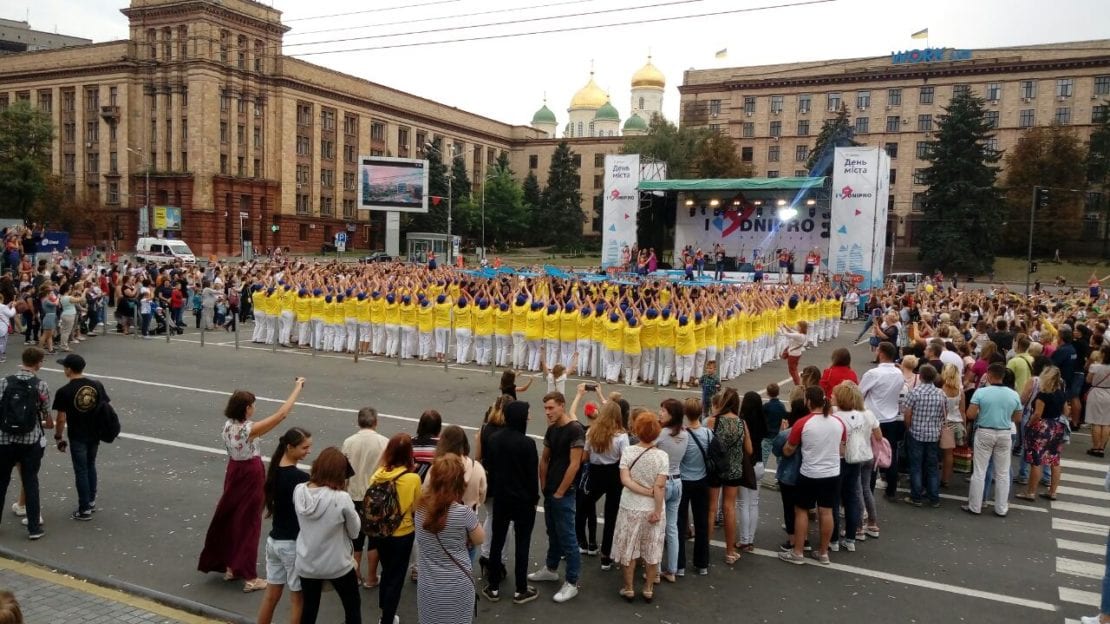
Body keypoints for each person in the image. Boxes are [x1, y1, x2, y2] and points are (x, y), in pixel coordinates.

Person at [198, 378, 305, 592]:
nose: (254, 408)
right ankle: (249, 576)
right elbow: (281, 414)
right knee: (249, 522)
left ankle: (231, 565)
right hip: (249, 472)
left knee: (231, 517)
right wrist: (297, 388)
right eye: (253, 405)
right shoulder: (248, 429)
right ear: (247, 408)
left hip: (234, 471)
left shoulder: (228, 425)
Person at [527, 391, 585, 604]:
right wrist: (544, 484)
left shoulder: (575, 430)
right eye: (545, 408)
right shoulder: (552, 430)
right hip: (551, 490)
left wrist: (561, 491)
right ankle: (551, 568)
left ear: (562, 405)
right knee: (553, 532)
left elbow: (575, 464)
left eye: (551, 408)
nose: (547, 412)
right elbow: (544, 459)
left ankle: (571, 582)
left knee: (568, 538)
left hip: (564, 493)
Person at [293, 447, 362, 624]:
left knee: (309, 609)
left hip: (307, 563)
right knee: (352, 606)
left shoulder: (299, 491)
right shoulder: (341, 498)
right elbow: (355, 532)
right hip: (337, 564)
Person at [482, 400, 540, 605]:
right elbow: (532, 477)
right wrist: (535, 498)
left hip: (502, 498)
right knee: (522, 543)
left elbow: (490, 466)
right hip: (523, 500)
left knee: (497, 541)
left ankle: (494, 586)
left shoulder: (495, 439)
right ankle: (521, 589)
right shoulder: (528, 443)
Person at [415, 454, 485, 624]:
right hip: (457, 585)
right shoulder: (463, 513)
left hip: (428, 585)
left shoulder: (419, 509)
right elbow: (480, 539)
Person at [779, 386, 845, 566]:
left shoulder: (803, 423)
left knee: (801, 510)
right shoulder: (838, 422)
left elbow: (789, 448)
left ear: (808, 401)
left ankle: (798, 552)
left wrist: (784, 450)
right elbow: (842, 448)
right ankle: (823, 552)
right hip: (831, 472)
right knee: (827, 511)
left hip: (809, 471)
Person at [610, 412, 668, 603]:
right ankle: (648, 588)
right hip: (653, 508)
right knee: (652, 549)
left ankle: (628, 588)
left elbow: (625, 480)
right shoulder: (662, 456)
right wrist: (657, 508)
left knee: (629, 547)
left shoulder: (629, 452)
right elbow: (660, 486)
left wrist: (643, 491)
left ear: (637, 429)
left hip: (630, 505)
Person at [257, 427, 311, 624]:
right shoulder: (300, 479)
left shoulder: (274, 471)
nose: (308, 451)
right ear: (290, 447)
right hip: (292, 544)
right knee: (298, 599)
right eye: (305, 447)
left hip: (274, 541)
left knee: (271, 596)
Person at [369, 433, 422, 624]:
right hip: (403, 532)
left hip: (381, 531)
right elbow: (416, 507)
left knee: (387, 571)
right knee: (396, 577)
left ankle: (384, 609)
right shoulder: (412, 479)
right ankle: (388, 617)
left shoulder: (378, 475)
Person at [51, 353, 110, 521]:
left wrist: (58, 437)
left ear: (69, 369)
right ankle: (91, 500)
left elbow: (61, 418)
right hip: (95, 432)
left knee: (81, 470)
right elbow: (107, 406)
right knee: (91, 465)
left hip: (78, 434)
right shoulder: (96, 385)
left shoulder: (64, 391)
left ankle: (84, 508)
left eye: (64, 367)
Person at [0, 347, 50, 540]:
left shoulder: (5, 382)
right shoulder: (40, 385)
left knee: (1, 482)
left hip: (5, 439)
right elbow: (45, 411)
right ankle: (34, 528)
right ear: (38, 363)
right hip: (30, 440)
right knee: (30, 481)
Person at [963, 363, 1023, 517]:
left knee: (979, 471)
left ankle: (975, 505)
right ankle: (1001, 508)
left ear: (989, 375)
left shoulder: (981, 393)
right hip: (1004, 433)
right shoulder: (1014, 394)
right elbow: (1017, 418)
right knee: (1003, 472)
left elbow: (970, 414)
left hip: (984, 431)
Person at [576, 396, 627, 569]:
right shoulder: (621, 436)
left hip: (595, 472)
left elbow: (585, 457)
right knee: (611, 516)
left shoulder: (592, 432)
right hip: (614, 474)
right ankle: (606, 556)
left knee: (584, 505)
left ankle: (582, 541)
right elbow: (624, 459)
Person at [341, 407, 389, 588]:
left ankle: (354, 574)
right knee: (374, 540)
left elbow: (344, 472)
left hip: (354, 495)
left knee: (356, 538)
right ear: (376, 422)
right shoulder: (384, 442)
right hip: (376, 496)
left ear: (358, 422)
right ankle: (371, 577)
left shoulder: (348, 442)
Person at [706, 388, 750, 565]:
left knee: (711, 508)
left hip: (716, 467)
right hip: (734, 469)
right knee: (729, 508)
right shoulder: (741, 423)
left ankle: (705, 549)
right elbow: (750, 449)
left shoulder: (713, 421)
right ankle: (730, 551)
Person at [859, 342, 905, 500]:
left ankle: (868, 493)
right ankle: (891, 490)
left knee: (871, 458)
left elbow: (860, 393)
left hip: (874, 419)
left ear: (882, 353)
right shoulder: (899, 374)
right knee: (889, 454)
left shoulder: (873, 373)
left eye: (877, 350)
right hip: (891, 418)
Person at [1017, 365, 1069, 502]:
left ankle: (1031, 492)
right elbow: (1066, 412)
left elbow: (1037, 414)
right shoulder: (1061, 393)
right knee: (1054, 460)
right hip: (1057, 426)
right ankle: (1052, 492)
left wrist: (1029, 424)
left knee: (1036, 460)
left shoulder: (1043, 394)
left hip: (1042, 426)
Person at [902, 364, 945, 508]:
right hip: (934, 434)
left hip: (916, 432)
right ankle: (934, 497)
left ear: (920, 376)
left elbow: (907, 413)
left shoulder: (915, 392)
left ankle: (916, 496)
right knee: (932, 467)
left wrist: (908, 428)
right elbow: (945, 413)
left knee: (916, 466)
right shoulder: (940, 393)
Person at [654, 399, 686, 581]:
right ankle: (672, 569)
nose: (660, 413)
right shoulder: (684, 433)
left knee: (658, 526)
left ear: (672, 415)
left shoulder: (662, 434)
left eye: (663, 411)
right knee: (672, 527)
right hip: (677, 480)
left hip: (663, 481)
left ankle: (656, 569)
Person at [736, 391, 767, 553]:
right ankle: (751, 539)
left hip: (746, 463)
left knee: (743, 503)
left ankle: (744, 539)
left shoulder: (742, 421)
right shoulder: (761, 421)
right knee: (754, 503)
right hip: (759, 463)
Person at [779, 320, 808, 386]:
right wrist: (786, 327)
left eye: (797, 325)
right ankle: (797, 384)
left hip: (793, 355)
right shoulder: (802, 334)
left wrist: (782, 328)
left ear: (800, 327)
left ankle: (797, 385)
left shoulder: (799, 335)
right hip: (797, 354)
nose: (796, 326)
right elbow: (792, 332)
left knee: (793, 371)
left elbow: (787, 334)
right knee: (794, 370)